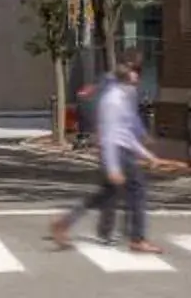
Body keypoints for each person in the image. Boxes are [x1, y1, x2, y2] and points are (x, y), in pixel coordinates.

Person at [48, 54, 156, 255]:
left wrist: (146, 154)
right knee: (137, 190)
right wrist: (114, 166)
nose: (138, 77)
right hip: (115, 153)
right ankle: (137, 239)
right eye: (136, 73)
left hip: (120, 151)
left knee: (105, 194)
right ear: (127, 76)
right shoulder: (114, 100)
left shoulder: (125, 96)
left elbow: (126, 130)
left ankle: (64, 223)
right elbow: (111, 136)